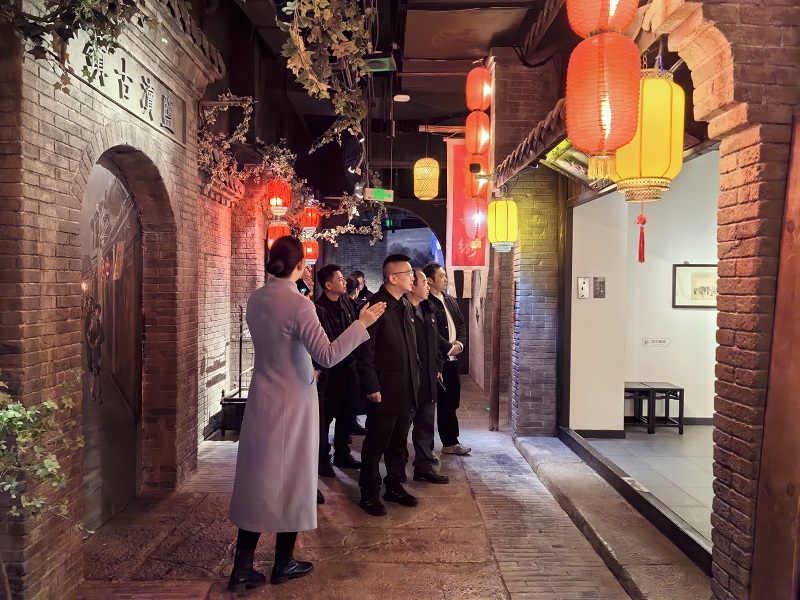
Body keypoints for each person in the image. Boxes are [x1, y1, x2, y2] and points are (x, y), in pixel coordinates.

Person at [228, 236, 386, 592]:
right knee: (295, 478)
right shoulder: (300, 305)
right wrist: (360, 324)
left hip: (262, 397)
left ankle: (242, 566)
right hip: (295, 402)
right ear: (301, 265)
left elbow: (281, 347)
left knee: (257, 478)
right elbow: (327, 355)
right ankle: (283, 562)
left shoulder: (257, 298)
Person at [354, 254, 420, 516]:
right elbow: (364, 352)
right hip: (384, 388)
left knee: (399, 442)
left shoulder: (404, 305)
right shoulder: (376, 306)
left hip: (405, 386)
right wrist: (372, 386)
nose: (413, 277)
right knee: (376, 443)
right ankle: (369, 493)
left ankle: (394, 485)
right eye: (408, 273)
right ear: (393, 277)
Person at [314, 264, 362, 475]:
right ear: (328, 284)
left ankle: (342, 454)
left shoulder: (346, 302)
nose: (345, 282)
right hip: (330, 372)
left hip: (349, 368)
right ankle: (322, 460)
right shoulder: (319, 309)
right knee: (325, 419)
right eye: (340, 279)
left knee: (346, 414)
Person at [405, 269, 451, 484]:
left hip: (428, 378)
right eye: (424, 282)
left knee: (425, 426)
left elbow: (435, 341)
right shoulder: (400, 310)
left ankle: (423, 467)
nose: (428, 286)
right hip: (406, 380)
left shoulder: (427, 308)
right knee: (400, 428)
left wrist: (438, 366)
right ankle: (395, 474)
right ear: (412, 286)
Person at [423, 262, 471, 456]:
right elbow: (430, 331)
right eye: (441, 276)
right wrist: (447, 347)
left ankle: (450, 443)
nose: (445, 278)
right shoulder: (425, 302)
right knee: (428, 406)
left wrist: (460, 344)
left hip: (452, 360)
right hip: (436, 361)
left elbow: (461, 323)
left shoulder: (450, 299)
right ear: (430, 280)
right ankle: (426, 450)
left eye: (444, 275)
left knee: (450, 402)